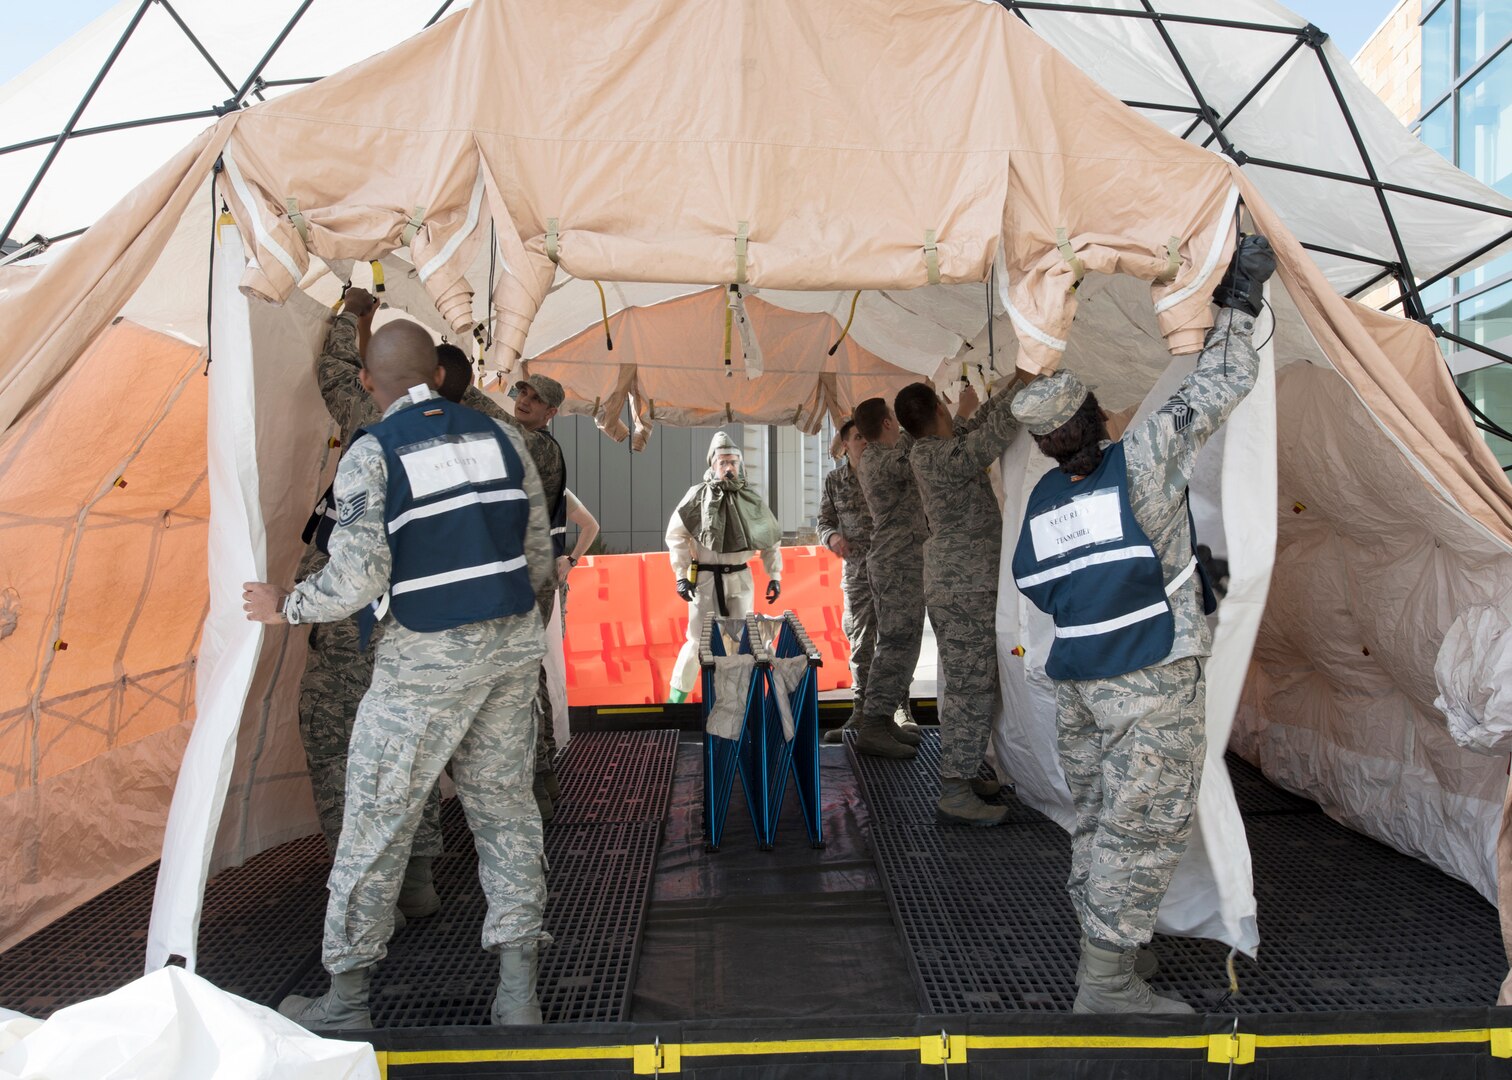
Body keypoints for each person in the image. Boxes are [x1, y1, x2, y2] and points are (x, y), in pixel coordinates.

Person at [246, 318, 555, 1030]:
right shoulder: (503, 438)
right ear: (439, 375)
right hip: (511, 649)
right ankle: (518, 994)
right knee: (506, 813)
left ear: (366, 381)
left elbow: (358, 573)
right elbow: (537, 554)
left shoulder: (374, 450)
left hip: (423, 662)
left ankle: (348, 997)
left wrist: (285, 605)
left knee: (376, 822)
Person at [1009, 233, 1275, 1015]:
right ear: (1095, 415)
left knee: (1096, 819)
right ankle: (1107, 984)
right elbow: (1227, 378)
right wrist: (1240, 299)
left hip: (1080, 686)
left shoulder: (1044, 505)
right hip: (1151, 679)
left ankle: (1114, 945)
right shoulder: (1146, 455)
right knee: (1143, 826)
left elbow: (1040, 588)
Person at [294, 293, 513, 928]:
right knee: (406, 745)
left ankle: (367, 901)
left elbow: (338, 371)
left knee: (338, 742)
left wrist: (352, 314)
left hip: (355, 620)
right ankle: (415, 879)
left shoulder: (379, 413)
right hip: (431, 622)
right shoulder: (482, 430)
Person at [895, 379, 1020, 824]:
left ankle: (963, 775)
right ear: (938, 412)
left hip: (966, 585)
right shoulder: (932, 455)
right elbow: (987, 439)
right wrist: (1022, 387)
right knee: (970, 688)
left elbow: (980, 423)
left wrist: (1020, 382)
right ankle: (954, 788)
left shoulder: (940, 447)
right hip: (962, 587)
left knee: (976, 683)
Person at [818, 419, 921, 748]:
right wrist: (831, 536)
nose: (864, 441)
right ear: (844, 444)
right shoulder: (836, 481)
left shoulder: (891, 469)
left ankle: (898, 708)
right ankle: (862, 712)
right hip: (859, 572)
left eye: (866, 435)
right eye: (857, 437)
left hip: (895, 569)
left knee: (896, 638)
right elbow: (824, 520)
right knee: (862, 642)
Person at [665, 431, 782, 703]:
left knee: (740, 641)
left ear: (740, 464)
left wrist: (774, 575)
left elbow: (769, 539)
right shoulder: (696, 496)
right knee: (697, 641)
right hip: (705, 580)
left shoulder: (751, 499)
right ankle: (675, 701)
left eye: (732, 462)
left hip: (740, 579)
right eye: (722, 462)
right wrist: (682, 575)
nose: (728, 467)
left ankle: (735, 702)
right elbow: (676, 536)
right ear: (712, 465)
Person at [849, 398, 932, 758]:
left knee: (905, 643)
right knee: (895, 644)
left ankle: (883, 723)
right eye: (895, 421)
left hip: (903, 561)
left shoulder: (879, 456)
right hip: (895, 563)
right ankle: (873, 724)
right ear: (886, 424)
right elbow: (916, 456)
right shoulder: (879, 458)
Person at [510, 373, 570, 821]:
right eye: (522, 392)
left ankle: (539, 786)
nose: (524, 401)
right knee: (530, 679)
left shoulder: (538, 447)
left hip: (529, 583)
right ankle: (544, 775)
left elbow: (490, 417)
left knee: (522, 683)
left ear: (551, 414)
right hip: (532, 577)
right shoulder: (530, 445)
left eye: (537, 399)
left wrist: (449, 382)